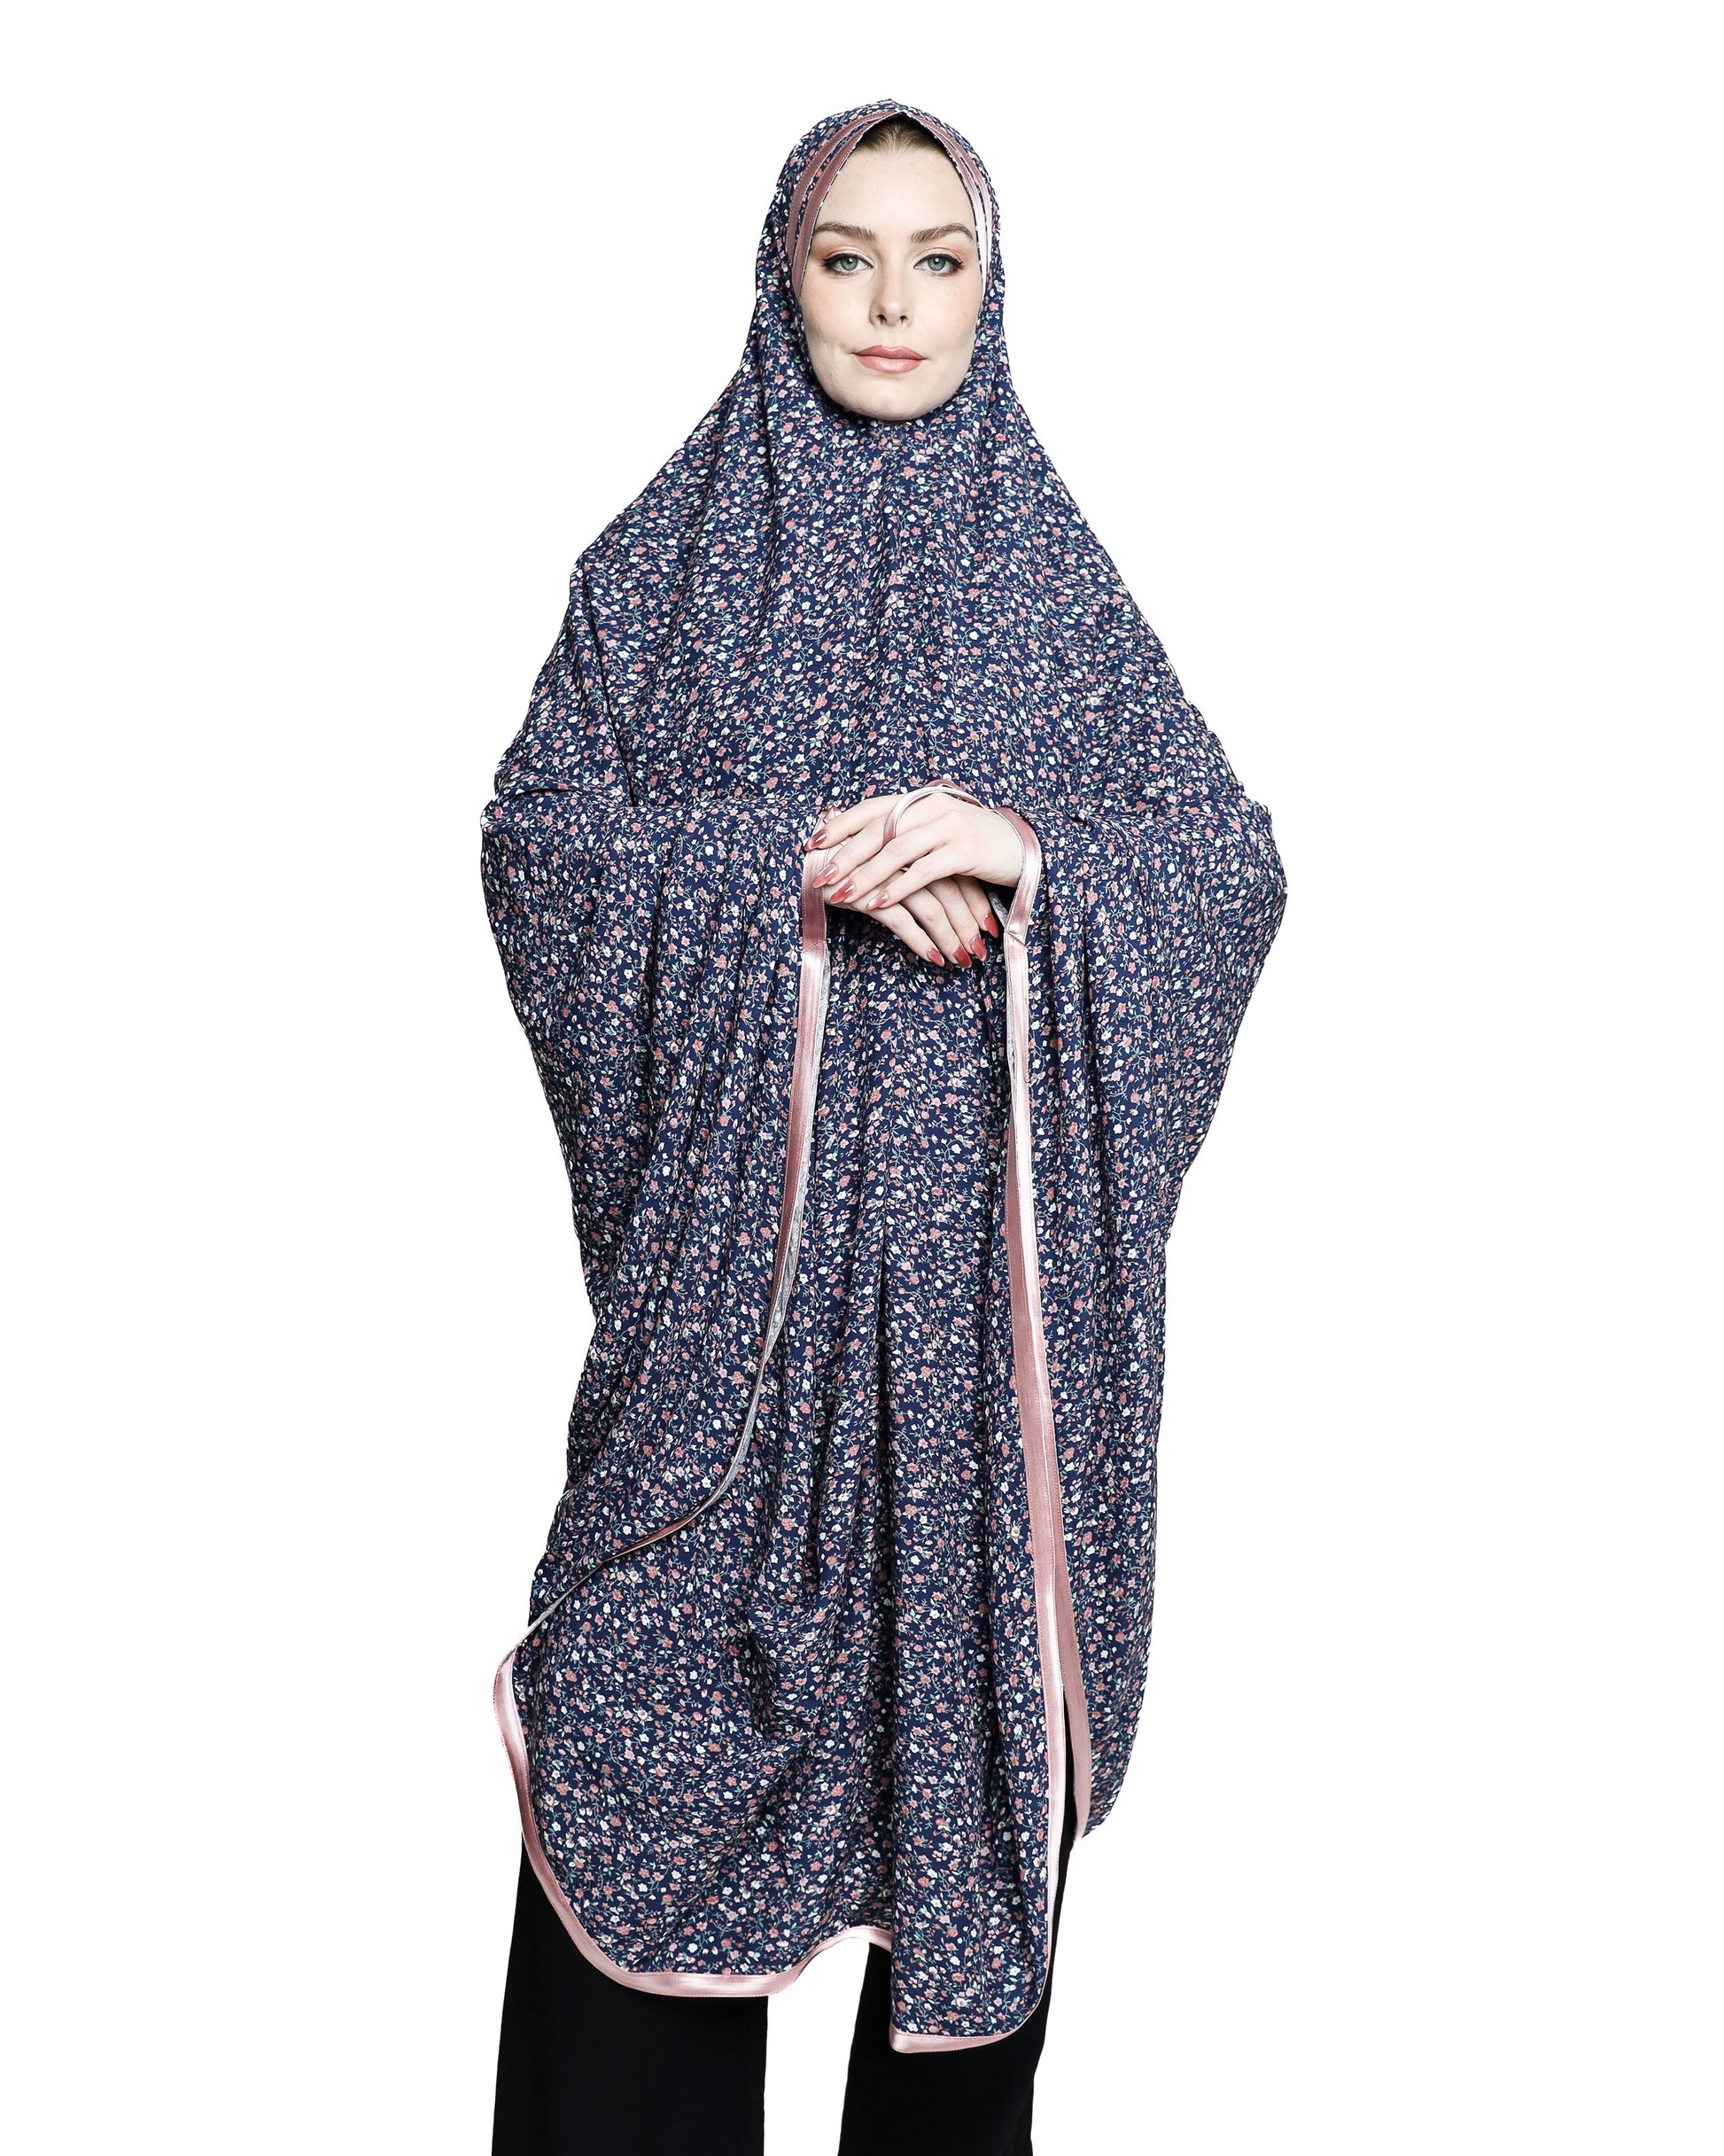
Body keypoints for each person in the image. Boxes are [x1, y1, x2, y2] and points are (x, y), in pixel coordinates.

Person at [479, 101, 1287, 2155]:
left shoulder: (1052, 576)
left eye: (941, 259)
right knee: (632, 1787)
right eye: (849, 257)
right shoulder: (660, 571)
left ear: (989, 290)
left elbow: (1225, 864)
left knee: (960, 1873)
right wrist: (793, 873)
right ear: (787, 273)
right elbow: (541, 848)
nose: (893, 302)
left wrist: (1030, 856)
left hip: (970, 1386)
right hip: (728, 1373)